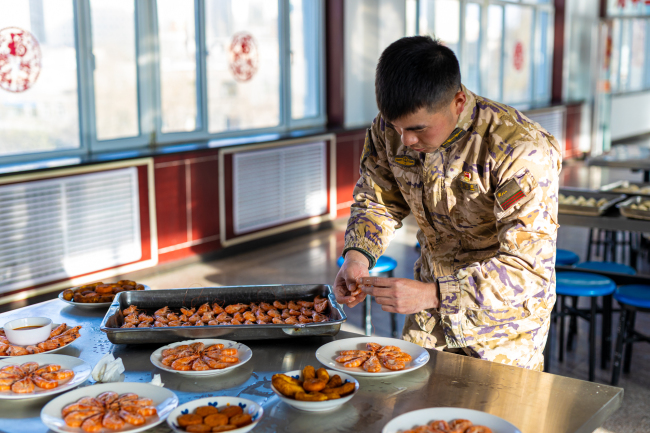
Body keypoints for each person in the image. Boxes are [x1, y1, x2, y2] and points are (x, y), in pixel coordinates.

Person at [333, 36, 561, 371]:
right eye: (396, 127)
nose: (406, 141)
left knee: (491, 421)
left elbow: (528, 270)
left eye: (417, 129)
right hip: (429, 317)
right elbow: (377, 199)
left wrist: (433, 294)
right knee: (415, 413)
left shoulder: (520, 149)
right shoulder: (390, 130)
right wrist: (356, 257)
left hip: (502, 326)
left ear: (457, 102)